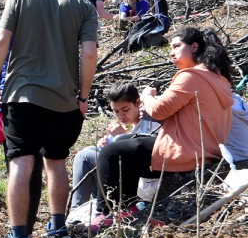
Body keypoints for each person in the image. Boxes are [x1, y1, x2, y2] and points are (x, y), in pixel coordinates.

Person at [0, 0, 99, 238]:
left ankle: (18, 237)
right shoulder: (84, 4)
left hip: (22, 95)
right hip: (64, 99)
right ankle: (58, 231)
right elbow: (88, 54)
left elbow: (1, 40)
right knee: (56, 162)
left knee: (21, 162)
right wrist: (83, 96)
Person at [98, 28, 234, 208]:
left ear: (194, 47)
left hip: (186, 153)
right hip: (209, 151)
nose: (171, 52)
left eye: (177, 46)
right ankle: (129, 207)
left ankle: (106, 212)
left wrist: (147, 96)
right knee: (124, 140)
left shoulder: (191, 76)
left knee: (112, 152)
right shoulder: (218, 78)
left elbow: (158, 111)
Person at [70, 84, 159, 212]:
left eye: (125, 109)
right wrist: (106, 144)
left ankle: (77, 210)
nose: (121, 115)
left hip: (139, 187)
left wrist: (122, 136)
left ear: (138, 102)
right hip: (125, 178)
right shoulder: (137, 125)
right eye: (116, 111)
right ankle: (89, 205)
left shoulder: (150, 121)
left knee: (84, 156)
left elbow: (142, 151)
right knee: (90, 150)